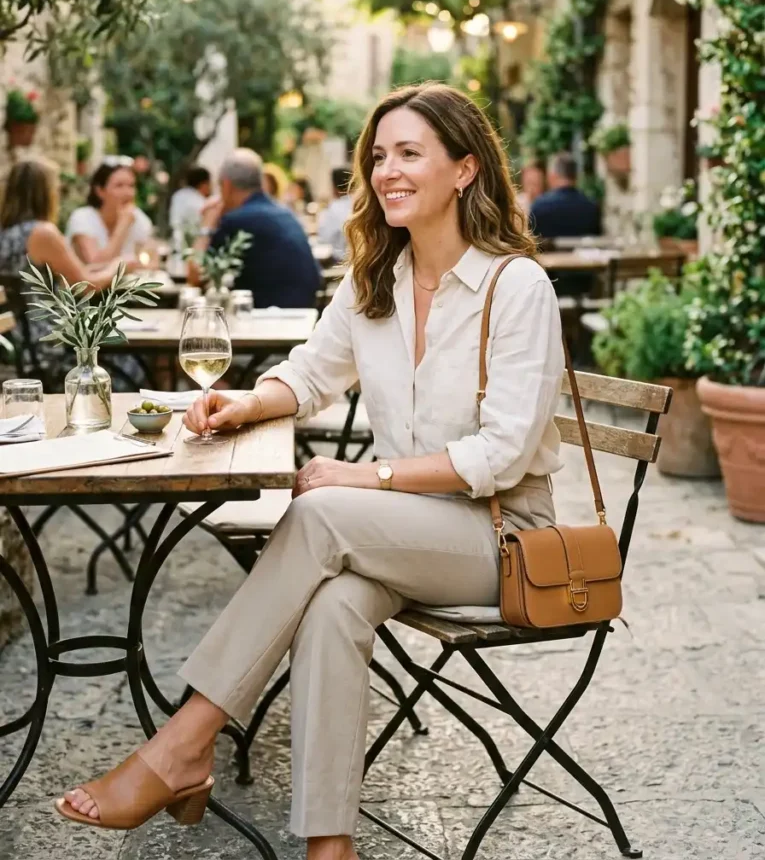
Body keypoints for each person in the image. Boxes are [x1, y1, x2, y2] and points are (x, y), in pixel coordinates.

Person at [56, 83, 564, 860]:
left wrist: (365, 479)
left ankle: (182, 746)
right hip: (406, 535)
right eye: (379, 155)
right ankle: (330, 849)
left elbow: (500, 457)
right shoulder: (377, 281)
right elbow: (310, 372)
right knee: (332, 609)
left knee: (321, 511)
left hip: (504, 538)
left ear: (464, 169)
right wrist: (245, 402)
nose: (387, 170)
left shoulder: (515, 286)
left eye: (409, 154)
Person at [0, 159, 123, 378]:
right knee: (134, 364)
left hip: (17, 348)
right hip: (50, 351)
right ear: (44, 193)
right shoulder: (42, 233)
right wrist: (119, 266)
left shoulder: (7, 235)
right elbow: (86, 286)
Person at [192, 149, 320, 308]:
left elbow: (196, 276)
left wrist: (207, 225)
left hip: (269, 320)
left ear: (226, 186)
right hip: (304, 314)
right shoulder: (284, 213)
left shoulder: (237, 220)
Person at [67, 157, 155, 266]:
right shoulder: (82, 218)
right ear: (100, 191)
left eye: (131, 186)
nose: (128, 193)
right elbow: (96, 265)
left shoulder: (140, 219)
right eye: (119, 186)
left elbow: (152, 262)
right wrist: (123, 225)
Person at [528, 151, 601, 241]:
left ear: (552, 176)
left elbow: (531, 240)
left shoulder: (539, 206)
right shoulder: (591, 207)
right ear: (576, 177)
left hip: (549, 255)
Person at [317, 166, 352, 261]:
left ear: (334, 187)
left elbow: (324, 239)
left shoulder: (333, 209)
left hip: (340, 262)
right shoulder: (363, 203)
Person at [169, 165, 212, 237]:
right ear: (204, 184)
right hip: (193, 242)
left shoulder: (178, 195)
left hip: (176, 239)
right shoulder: (201, 203)